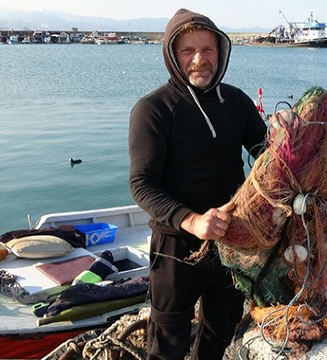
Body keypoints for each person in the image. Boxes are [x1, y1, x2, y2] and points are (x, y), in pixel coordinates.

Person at [128, 8, 268, 360]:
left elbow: (263, 152)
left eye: (208, 49)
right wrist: (191, 220)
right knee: (167, 343)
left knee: (220, 331)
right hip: (176, 245)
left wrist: (285, 137)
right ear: (173, 56)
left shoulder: (235, 101)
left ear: (220, 51)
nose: (199, 60)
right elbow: (142, 183)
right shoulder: (153, 109)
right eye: (188, 51)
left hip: (230, 237)